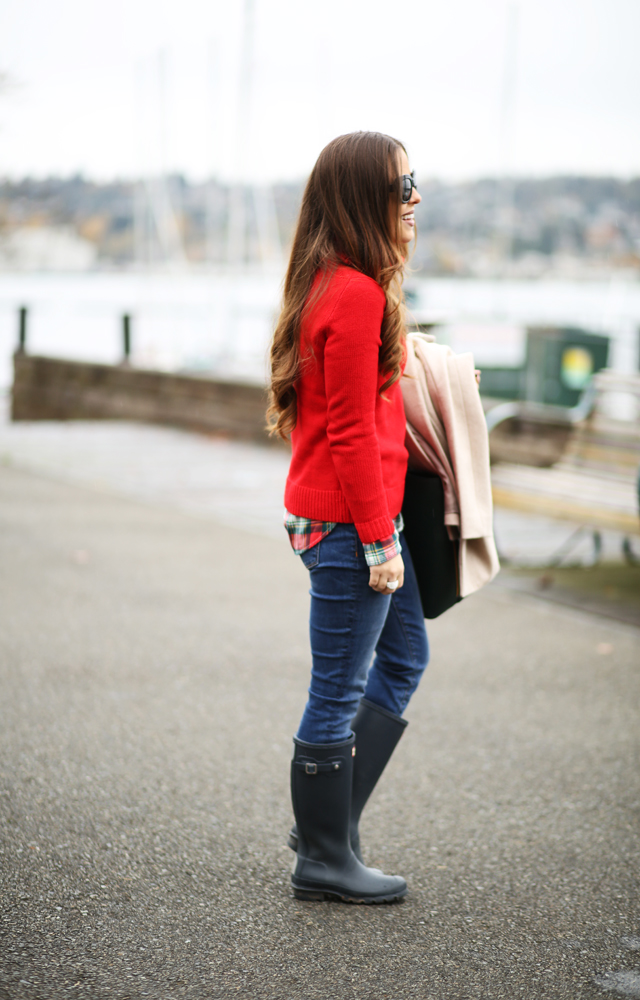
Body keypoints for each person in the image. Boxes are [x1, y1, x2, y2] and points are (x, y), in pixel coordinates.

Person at [268, 131, 429, 904]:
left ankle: (329, 826)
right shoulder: (356, 294)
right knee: (337, 687)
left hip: (341, 518)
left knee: (404, 659)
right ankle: (324, 858)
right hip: (348, 524)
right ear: (368, 197)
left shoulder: (336, 283)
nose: (416, 199)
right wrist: (378, 542)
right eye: (403, 186)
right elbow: (351, 434)